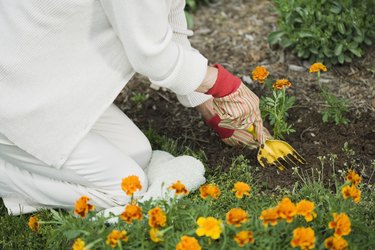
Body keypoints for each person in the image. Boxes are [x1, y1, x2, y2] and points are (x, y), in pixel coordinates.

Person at [0, 0, 264, 215]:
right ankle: (8, 177)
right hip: (15, 96)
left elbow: (171, 27)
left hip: (50, 84)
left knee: (138, 153)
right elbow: (151, 56)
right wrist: (225, 86)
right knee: (126, 190)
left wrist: (208, 105)